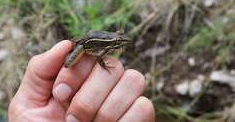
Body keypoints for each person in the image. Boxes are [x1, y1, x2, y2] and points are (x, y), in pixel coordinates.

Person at [8, 40, 155, 122]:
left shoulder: (108, 46)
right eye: (119, 41)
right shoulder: (107, 48)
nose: (123, 43)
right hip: (83, 45)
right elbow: (98, 57)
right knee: (68, 64)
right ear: (115, 43)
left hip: (87, 44)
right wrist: (105, 67)